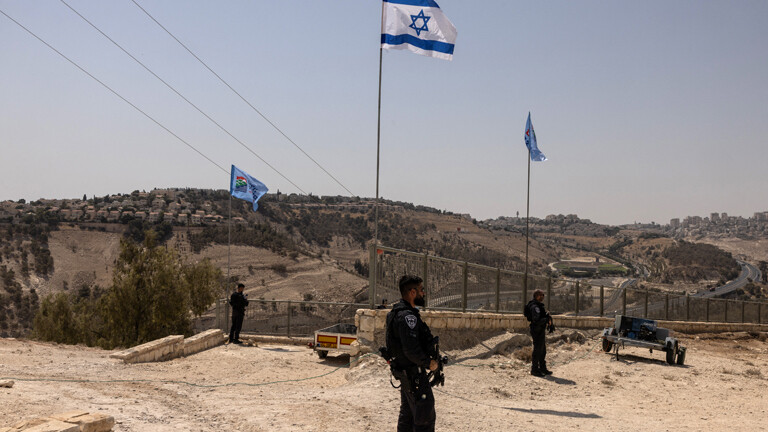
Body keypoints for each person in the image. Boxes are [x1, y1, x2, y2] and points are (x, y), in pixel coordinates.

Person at [386, 275, 438, 432]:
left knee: (407, 416)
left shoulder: (395, 313)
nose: (424, 293)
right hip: (414, 375)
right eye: (422, 290)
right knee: (424, 418)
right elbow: (410, 349)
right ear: (413, 293)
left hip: (406, 374)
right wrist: (429, 363)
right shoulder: (408, 316)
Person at [525, 289, 553, 376]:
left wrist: (548, 318)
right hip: (536, 329)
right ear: (536, 296)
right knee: (537, 350)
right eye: (541, 295)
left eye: (543, 295)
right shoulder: (535, 307)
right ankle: (534, 370)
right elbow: (536, 320)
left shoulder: (539, 305)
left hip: (540, 329)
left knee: (542, 350)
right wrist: (546, 319)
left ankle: (542, 368)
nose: (543, 297)